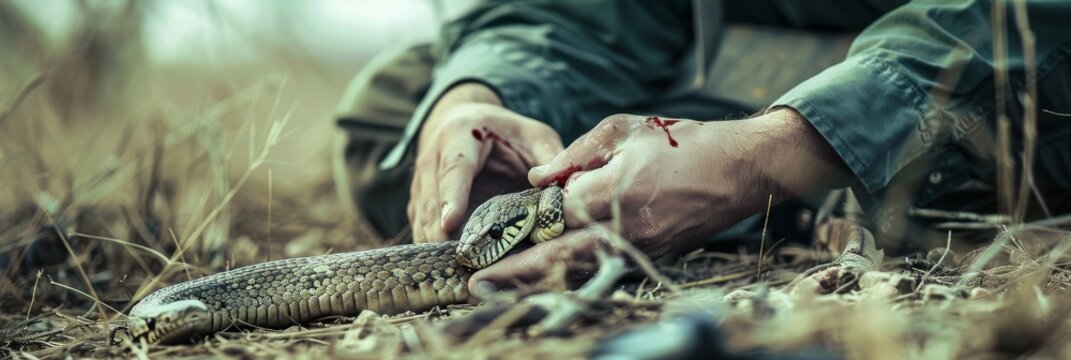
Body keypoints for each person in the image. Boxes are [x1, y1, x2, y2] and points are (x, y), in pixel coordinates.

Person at [335, 0, 1071, 295]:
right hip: (742, 66)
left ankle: (799, 187)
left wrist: (774, 147)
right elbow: (587, 14)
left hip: (982, 66)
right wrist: (477, 96)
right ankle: (732, 188)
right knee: (395, 112)